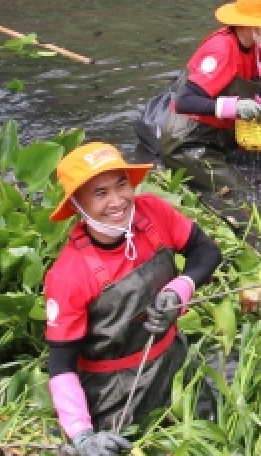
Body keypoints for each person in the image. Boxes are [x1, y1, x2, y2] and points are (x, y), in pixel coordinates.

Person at [44, 142, 223, 456]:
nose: (117, 201)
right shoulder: (68, 275)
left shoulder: (153, 212)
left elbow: (206, 252)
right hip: (116, 390)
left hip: (174, 360)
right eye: (100, 193)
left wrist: (180, 288)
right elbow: (62, 365)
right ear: (77, 204)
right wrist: (82, 434)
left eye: (121, 185)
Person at [132, 0, 261, 188]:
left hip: (218, 132)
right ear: (252, 26)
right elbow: (185, 101)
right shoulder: (221, 51)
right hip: (188, 141)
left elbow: (251, 89)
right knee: (242, 192)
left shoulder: (252, 48)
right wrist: (234, 108)